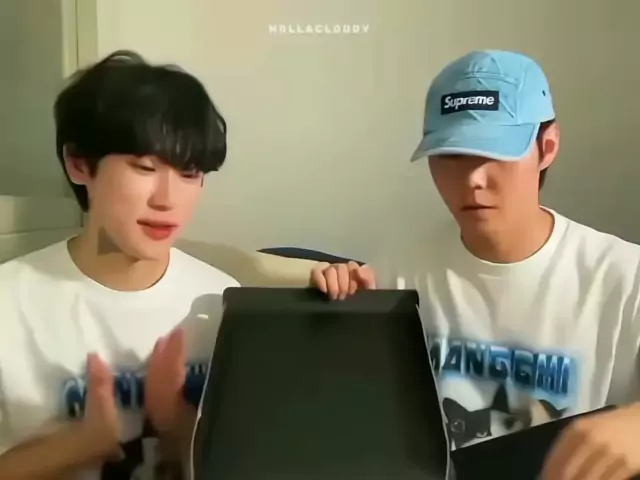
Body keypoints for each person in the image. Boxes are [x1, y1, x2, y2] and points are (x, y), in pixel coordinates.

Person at [311, 50, 640, 479]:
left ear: (547, 147)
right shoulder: (395, 279)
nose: (472, 180)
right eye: (452, 156)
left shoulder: (626, 279)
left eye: (496, 153)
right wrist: (332, 324)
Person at [0, 50, 240, 479]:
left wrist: (175, 421)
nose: (167, 200)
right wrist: (80, 444)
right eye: (144, 167)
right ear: (79, 164)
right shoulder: (9, 302)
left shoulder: (224, 303)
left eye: (189, 173)